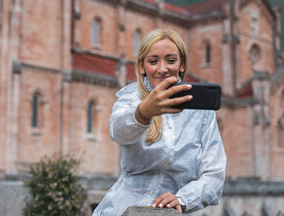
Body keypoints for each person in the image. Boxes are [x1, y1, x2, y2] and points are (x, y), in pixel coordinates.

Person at [92, 29, 226, 215]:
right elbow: (117, 131)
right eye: (153, 61)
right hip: (124, 209)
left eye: (171, 60)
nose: (162, 69)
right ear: (141, 66)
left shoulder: (201, 111)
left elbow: (215, 173)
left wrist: (183, 199)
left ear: (182, 64)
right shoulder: (130, 98)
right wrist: (143, 113)